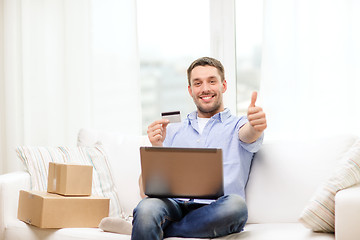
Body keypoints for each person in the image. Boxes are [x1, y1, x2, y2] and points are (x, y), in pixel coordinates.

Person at [131, 57, 267, 240]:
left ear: (223, 86)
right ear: (190, 90)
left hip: (218, 207)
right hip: (175, 206)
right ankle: (163, 226)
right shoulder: (172, 129)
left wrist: (256, 126)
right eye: (197, 83)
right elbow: (144, 192)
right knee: (146, 209)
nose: (205, 89)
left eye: (212, 81)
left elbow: (250, 133)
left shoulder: (239, 125)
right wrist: (156, 147)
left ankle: (165, 230)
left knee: (236, 206)